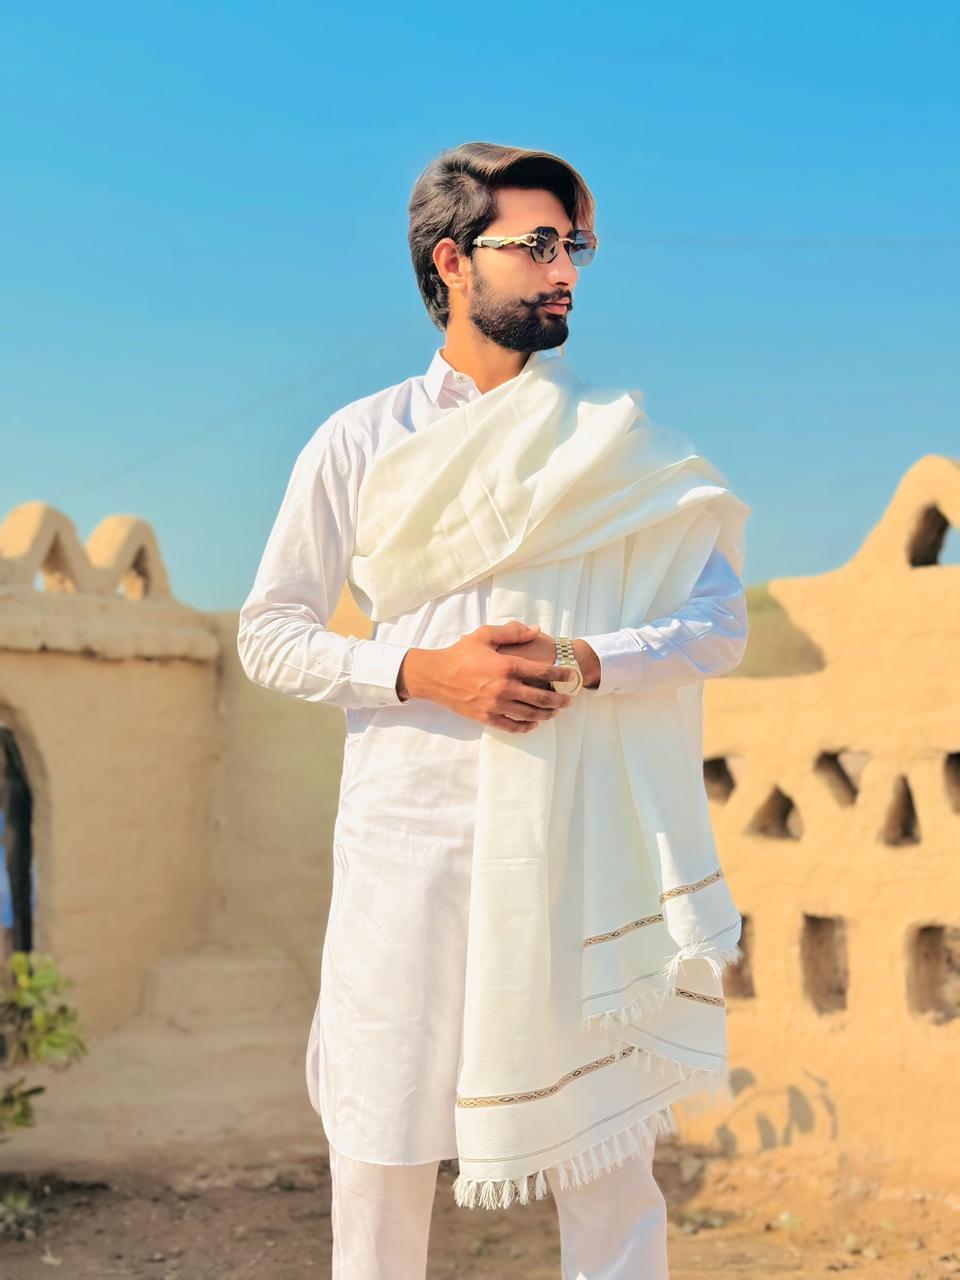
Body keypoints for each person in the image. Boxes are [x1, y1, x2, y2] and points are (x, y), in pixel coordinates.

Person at [237, 142, 749, 1279]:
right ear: (453, 261)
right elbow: (268, 632)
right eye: (539, 245)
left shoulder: (612, 449)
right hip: (411, 839)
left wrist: (588, 657)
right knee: (379, 1144)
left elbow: (719, 624)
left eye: (576, 247)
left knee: (608, 1160)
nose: (565, 271)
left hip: (578, 841)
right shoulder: (361, 441)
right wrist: (425, 672)